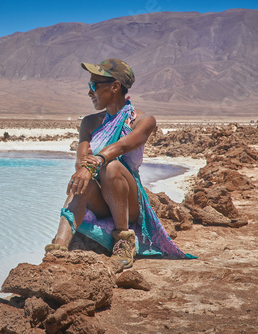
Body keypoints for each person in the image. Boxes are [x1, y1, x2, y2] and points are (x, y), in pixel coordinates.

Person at [45, 58, 195, 268]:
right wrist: (84, 168)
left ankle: (124, 241)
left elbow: (123, 146)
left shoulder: (143, 121)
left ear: (115, 86)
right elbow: (81, 160)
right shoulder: (90, 122)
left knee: (111, 165)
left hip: (127, 200)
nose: (90, 93)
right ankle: (57, 248)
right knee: (82, 183)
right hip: (98, 198)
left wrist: (95, 161)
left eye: (93, 86)